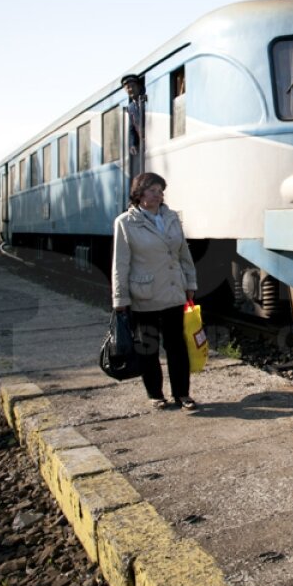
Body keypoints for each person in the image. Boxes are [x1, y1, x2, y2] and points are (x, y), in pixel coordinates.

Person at [112, 172, 199, 410]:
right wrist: (120, 298)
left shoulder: (171, 217)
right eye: (153, 190)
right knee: (147, 346)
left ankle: (183, 394)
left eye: (161, 190)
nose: (159, 195)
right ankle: (155, 394)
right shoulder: (125, 223)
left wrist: (190, 283)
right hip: (145, 293)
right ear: (139, 194)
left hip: (173, 290)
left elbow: (184, 253)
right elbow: (120, 264)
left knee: (177, 346)